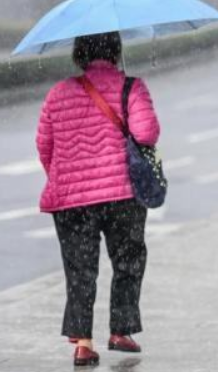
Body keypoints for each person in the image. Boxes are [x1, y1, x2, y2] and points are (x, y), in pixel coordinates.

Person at [36, 31, 160, 366]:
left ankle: (83, 343)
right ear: (116, 51)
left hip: (72, 201)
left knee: (79, 270)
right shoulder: (131, 87)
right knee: (128, 261)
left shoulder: (58, 93)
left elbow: (45, 146)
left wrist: (67, 177)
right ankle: (121, 330)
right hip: (122, 196)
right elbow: (146, 134)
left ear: (79, 54)